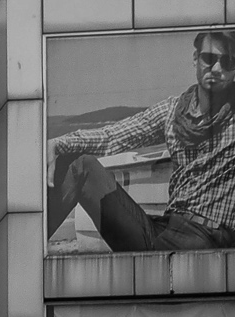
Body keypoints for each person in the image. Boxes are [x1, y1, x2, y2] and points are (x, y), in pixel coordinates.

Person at [50, 30, 235, 253]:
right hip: (166, 229)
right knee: (82, 166)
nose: (216, 69)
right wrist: (56, 144)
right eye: (209, 58)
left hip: (210, 238)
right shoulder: (173, 111)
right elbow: (113, 137)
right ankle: (24, 257)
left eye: (227, 62)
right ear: (196, 59)